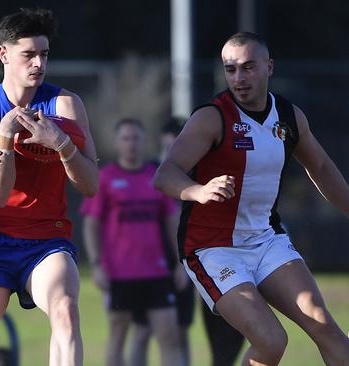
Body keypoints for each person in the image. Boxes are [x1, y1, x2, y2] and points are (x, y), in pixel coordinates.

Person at [154, 31, 349, 366]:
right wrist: (197, 191)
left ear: (269, 67)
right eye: (231, 69)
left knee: (324, 324)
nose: (239, 78)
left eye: (248, 68)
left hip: (265, 239)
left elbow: (321, 167)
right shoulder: (212, 117)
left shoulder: (288, 117)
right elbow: (165, 173)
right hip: (212, 248)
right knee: (271, 342)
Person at [0, 8, 99, 366]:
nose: (39, 63)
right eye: (29, 55)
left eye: (44, 54)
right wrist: (5, 138)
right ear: (4, 54)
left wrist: (62, 144)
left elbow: (92, 185)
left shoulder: (65, 105)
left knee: (66, 311)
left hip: (45, 238)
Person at [81, 118, 187, 366]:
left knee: (169, 336)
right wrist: (97, 265)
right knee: (118, 338)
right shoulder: (105, 179)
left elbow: (172, 221)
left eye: (136, 138)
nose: (131, 144)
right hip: (120, 274)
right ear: (117, 143)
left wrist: (181, 262)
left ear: (144, 141)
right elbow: (91, 224)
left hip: (157, 271)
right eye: (126, 138)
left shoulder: (156, 177)